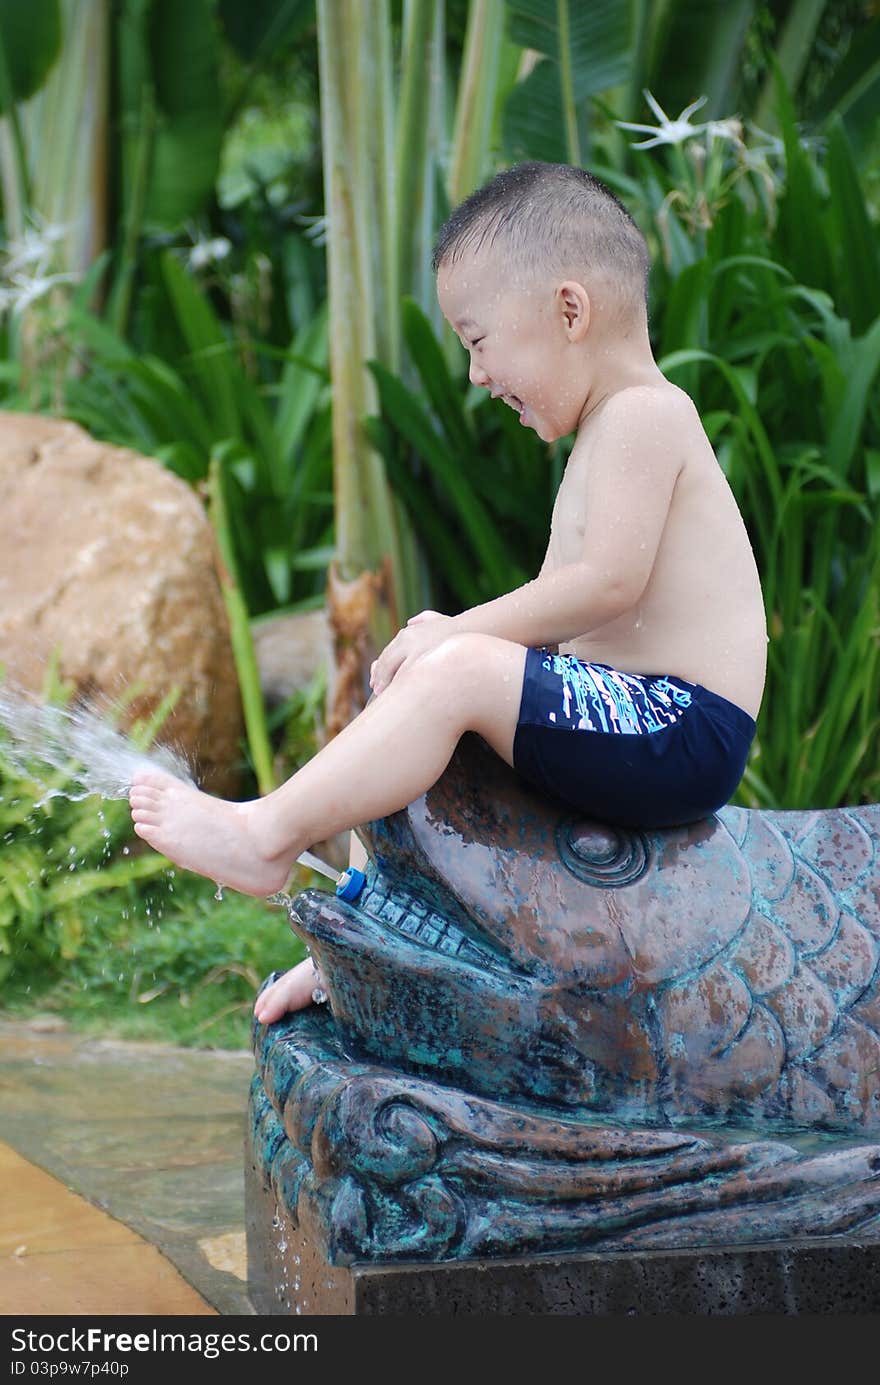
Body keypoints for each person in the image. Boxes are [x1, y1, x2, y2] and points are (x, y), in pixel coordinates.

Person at [129, 161, 767, 1023]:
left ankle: (266, 833)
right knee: (426, 709)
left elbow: (607, 585)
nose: (475, 375)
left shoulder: (645, 415)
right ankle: (358, 942)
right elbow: (560, 617)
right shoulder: (601, 434)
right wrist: (445, 656)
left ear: (569, 311)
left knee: (454, 668)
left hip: (680, 724)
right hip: (627, 715)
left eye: (477, 341)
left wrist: (458, 641)